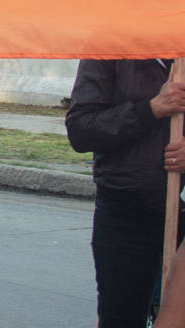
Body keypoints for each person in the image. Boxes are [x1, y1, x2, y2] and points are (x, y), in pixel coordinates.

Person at [65, 58, 185, 328]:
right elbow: (81, 130)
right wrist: (150, 108)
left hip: (181, 209)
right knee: (120, 316)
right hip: (128, 212)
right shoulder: (110, 46)